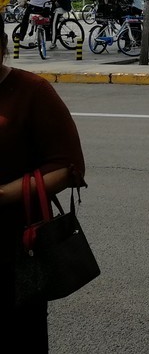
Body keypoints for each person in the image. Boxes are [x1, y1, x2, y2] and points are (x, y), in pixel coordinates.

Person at [0, 27, 88, 348]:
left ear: (3, 45)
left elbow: (69, 167)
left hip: (18, 250)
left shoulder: (32, 91)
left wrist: (3, 193)